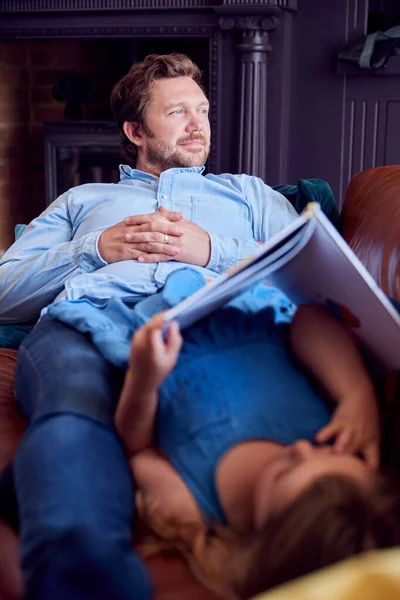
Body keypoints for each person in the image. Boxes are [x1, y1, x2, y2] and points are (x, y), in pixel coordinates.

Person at [0, 53, 301, 599]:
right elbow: (4, 291)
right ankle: (82, 567)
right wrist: (93, 249)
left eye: (203, 110)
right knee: (75, 406)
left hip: (213, 330)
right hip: (87, 322)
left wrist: (214, 251)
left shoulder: (251, 195)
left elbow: (310, 276)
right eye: (178, 111)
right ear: (135, 131)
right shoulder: (81, 201)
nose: (198, 124)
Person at [114, 285, 400, 600]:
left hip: (146, 330)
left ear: (262, 539)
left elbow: (137, 448)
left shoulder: (190, 508)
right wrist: (357, 394)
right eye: (324, 451)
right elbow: (309, 318)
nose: (302, 447)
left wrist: (143, 381)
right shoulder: (339, 430)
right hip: (240, 298)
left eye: (284, 471)